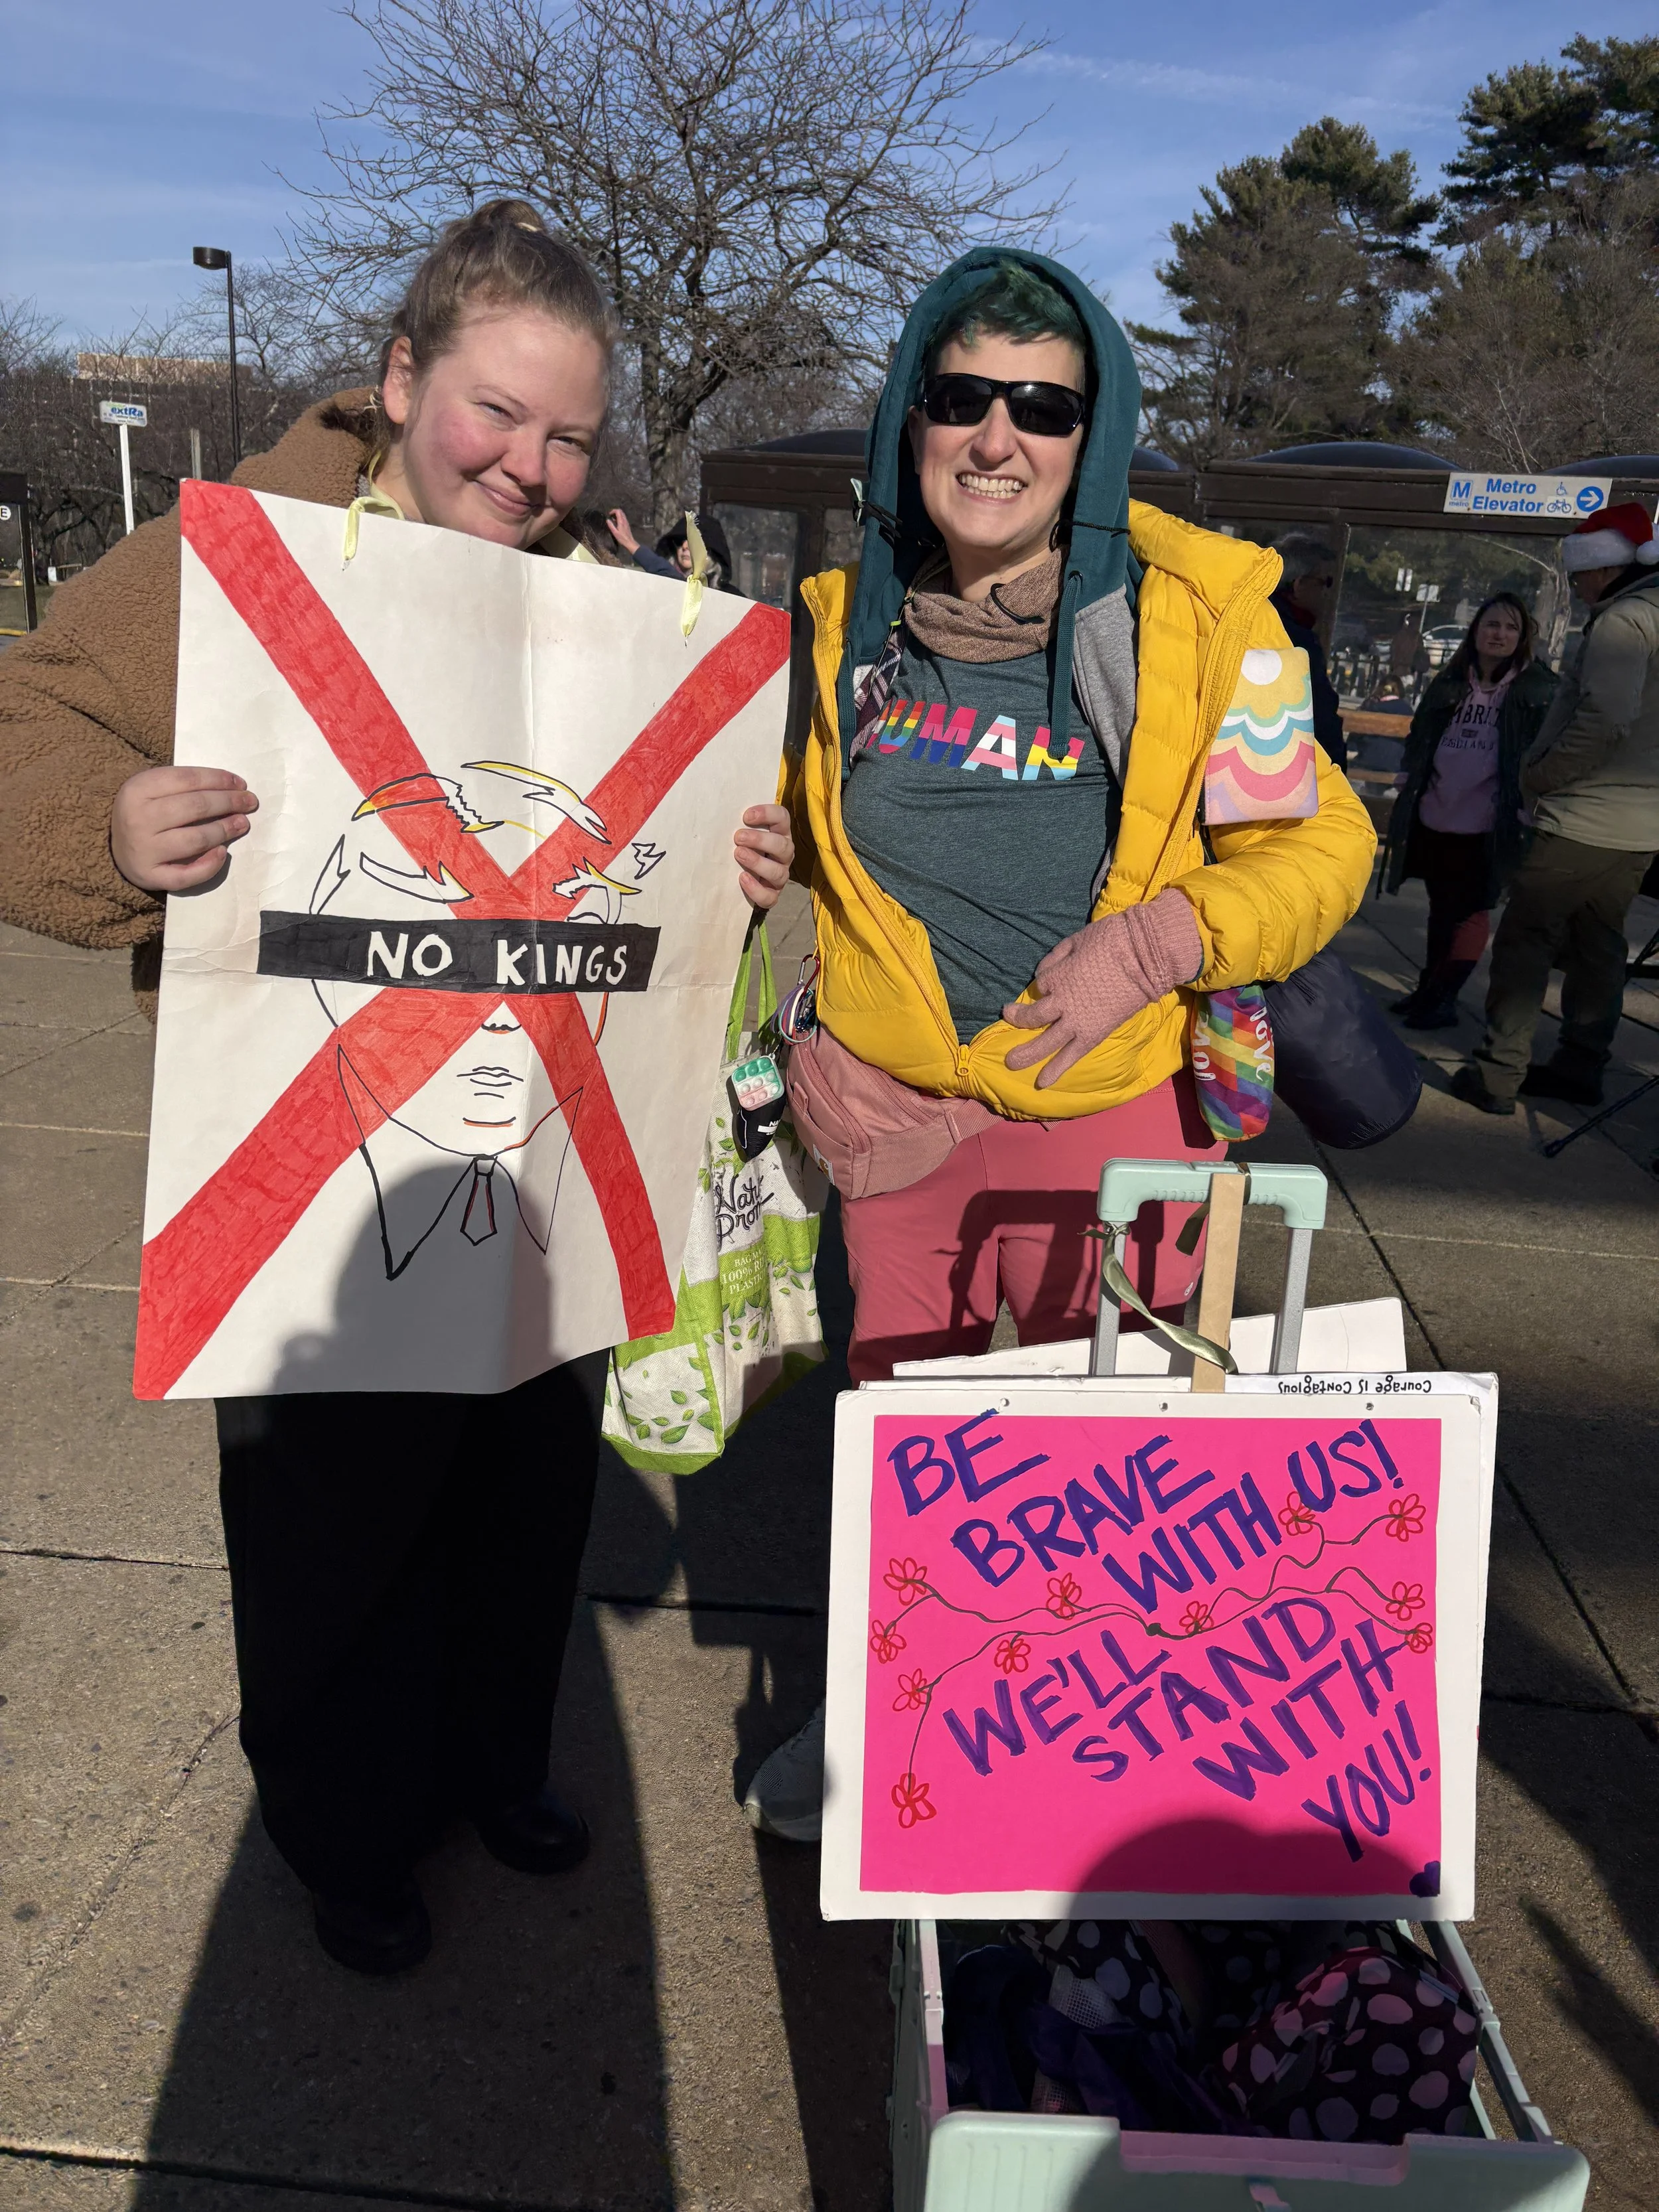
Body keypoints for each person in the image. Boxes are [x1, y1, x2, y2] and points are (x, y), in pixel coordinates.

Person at [0, 200, 794, 1972]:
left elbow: (674, 876)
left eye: (568, 430)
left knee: (521, 1519)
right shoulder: (237, 559)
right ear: (400, 376)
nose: (530, 463)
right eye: (494, 412)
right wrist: (108, 832)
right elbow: (26, 724)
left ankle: (490, 1766)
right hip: (311, 1191)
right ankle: (344, 1835)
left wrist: (740, 860)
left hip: (548, 1184)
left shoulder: (631, 599)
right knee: (332, 1548)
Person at [744, 251, 1375, 1840]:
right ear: (909, 419)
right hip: (898, 1137)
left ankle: (1086, 1795)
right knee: (908, 1474)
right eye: (961, 398)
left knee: (1102, 1486)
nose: (997, 437)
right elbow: (797, 847)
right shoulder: (833, 632)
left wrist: (1156, 941)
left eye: (1045, 404)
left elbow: (1320, 852)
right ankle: (892, 1722)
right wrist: (791, 943)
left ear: (1092, 432)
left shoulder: (1202, 624)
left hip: (1117, 1126)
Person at [1452, 502, 1659, 1115]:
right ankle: (1580, 1064)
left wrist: (1540, 776)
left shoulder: (1624, 622)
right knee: (1600, 943)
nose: (1577, 585)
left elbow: (1603, 719)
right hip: (1642, 823)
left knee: (1525, 940)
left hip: (1583, 816)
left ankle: (1497, 1073)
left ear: (1605, 568)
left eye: (1580, 575)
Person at [1381, 593, 1558, 1028]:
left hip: (1490, 823)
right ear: (1476, 631)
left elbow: (1544, 753)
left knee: (1472, 910)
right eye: (1492, 625)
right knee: (1441, 908)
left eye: (1511, 627)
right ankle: (1428, 987)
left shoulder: (1537, 687)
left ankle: (1444, 997)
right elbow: (1421, 735)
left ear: (1523, 637)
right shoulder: (1451, 681)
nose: (1500, 634)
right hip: (1438, 814)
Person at [1267, 532, 1347, 768]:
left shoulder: (1245, 618)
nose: (1327, 593)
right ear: (1300, 585)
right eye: (1325, 583)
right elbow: (1318, 718)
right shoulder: (1295, 641)